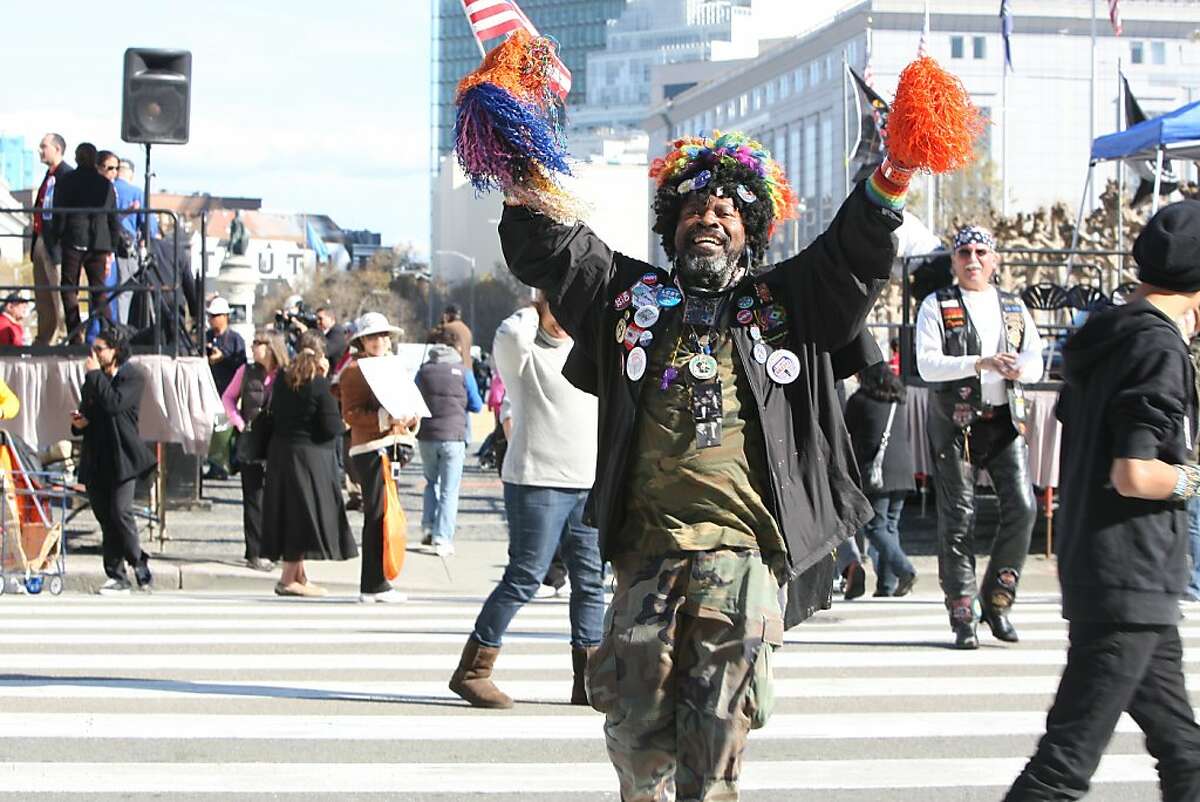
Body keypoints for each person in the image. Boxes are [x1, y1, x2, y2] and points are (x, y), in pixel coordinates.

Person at [498, 129, 907, 800]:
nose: (707, 221)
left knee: (718, 733)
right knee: (633, 727)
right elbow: (557, 254)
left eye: (725, 212)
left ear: (749, 229)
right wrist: (517, 172)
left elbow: (849, 255)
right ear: (672, 226)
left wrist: (889, 179)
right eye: (693, 210)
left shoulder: (784, 300)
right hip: (645, 550)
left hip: (740, 557)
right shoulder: (630, 296)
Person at [1004, 200, 1200, 801]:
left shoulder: (1105, 338)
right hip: (1130, 574)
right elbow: (1135, 472)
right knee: (1064, 765)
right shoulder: (1158, 348)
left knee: (1186, 751)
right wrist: (1191, 479)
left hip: (1120, 571)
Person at [449, 297, 603, 709]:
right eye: (561, 310)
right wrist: (542, 302)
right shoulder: (524, 351)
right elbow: (508, 332)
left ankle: (588, 679)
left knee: (590, 581)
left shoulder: (587, 350)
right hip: (537, 481)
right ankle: (472, 671)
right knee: (525, 575)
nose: (568, 320)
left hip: (586, 482)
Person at [915, 224, 1043, 649]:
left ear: (995, 260)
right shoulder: (937, 304)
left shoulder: (1012, 306)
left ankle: (999, 599)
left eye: (980, 253)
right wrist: (980, 362)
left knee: (1024, 507)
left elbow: (1036, 359)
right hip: (956, 421)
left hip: (1004, 420)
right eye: (964, 253)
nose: (973, 260)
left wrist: (1018, 369)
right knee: (958, 515)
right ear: (953, 261)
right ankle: (963, 611)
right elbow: (928, 365)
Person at [260, 332, 357, 597]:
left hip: (281, 454)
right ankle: (288, 579)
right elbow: (331, 426)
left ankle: (299, 576)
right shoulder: (318, 384)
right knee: (304, 516)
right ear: (321, 355)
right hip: (309, 458)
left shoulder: (282, 379)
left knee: (291, 512)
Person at [70, 327, 156, 595]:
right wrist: (79, 423)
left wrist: (95, 375)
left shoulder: (133, 376)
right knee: (106, 517)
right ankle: (117, 575)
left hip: (123, 456)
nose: (94, 354)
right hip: (97, 456)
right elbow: (89, 411)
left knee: (121, 512)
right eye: (93, 349)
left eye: (100, 349)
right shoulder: (93, 379)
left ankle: (138, 562)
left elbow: (114, 405)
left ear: (115, 350)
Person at [338, 312, 417, 603]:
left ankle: (376, 581)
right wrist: (385, 418)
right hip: (370, 449)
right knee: (377, 515)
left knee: (384, 515)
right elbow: (350, 414)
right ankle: (372, 584)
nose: (380, 341)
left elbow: (411, 403)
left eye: (384, 336)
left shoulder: (394, 366)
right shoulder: (354, 370)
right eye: (372, 337)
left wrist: (410, 418)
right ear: (362, 341)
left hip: (393, 445)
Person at [843, 362, 917, 597]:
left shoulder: (860, 401)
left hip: (877, 472)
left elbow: (847, 431)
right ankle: (886, 585)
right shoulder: (899, 399)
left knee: (875, 527)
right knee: (890, 526)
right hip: (904, 470)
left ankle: (905, 570)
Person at [222, 329, 289, 572]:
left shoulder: (286, 373)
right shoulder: (245, 371)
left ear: (270, 346)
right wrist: (239, 423)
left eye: (257, 343)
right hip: (251, 440)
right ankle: (255, 551)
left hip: (279, 442)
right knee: (253, 497)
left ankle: (277, 548)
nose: (252, 348)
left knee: (278, 497)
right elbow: (228, 398)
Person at [415, 328, 483, 557]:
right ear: (456, 348)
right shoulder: (464, 372)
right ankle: (443, 538)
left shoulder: (424, 371)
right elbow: (476, 405)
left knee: (430, 482)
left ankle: (427, 526)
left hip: (426, 435)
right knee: (449, 490)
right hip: (454, 436)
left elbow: (413, 397)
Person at [51, 142, 121, 344]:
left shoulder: (65, 182)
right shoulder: (105, 184)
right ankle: (111, 334)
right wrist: (112, 246)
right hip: (99, 243)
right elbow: (112, 217)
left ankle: (75, 335)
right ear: (94, 159)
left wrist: (58, 236)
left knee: (69, 287)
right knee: (99, 290)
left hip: (73, 240)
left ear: (76, 158)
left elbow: (59, 214)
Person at [30, 133, 73, 346]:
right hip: (40, 239)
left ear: (57, 149)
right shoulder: (49, 175)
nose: (40, 150)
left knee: (59, 294)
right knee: (43, 295)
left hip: (55, 244)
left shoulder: (66, 175)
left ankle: (65, 337)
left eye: (43, 146)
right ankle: (44, 337)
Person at [205, 296, 246, 480]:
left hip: (227, 389)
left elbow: (241, 364)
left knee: (223, 427)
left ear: (225, 317)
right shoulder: (206, 337)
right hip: (209, 387)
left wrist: (224, 358)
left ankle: (221, 466)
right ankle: (215, 464)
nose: (211, 320)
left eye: (215, 316)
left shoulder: (235, 340)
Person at [432, 304, 473, 369]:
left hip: (456, 370)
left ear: (448, 315)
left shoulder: (448, 328)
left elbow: (431, 337)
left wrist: (442, 322)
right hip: (468, 369)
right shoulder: (467, 330)